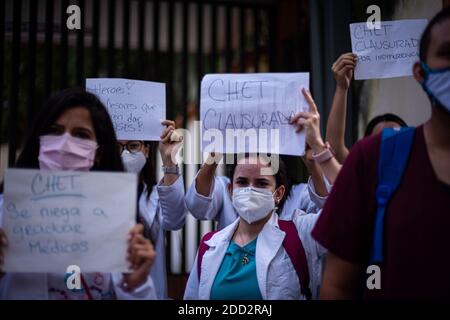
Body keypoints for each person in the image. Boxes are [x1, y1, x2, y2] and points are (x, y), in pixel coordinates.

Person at [312, 7, 450, 299]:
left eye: (396, 130)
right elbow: (336, 285)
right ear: (420, 72)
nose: (390, 136)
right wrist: (341, 89)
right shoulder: (374, 160)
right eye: (448, 52)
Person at [184, 89, 340, 300]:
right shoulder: (209, 245)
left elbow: (347, 215)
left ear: (278, 193)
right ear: (231, 191)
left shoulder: (300, 233)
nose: (250, 189)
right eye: (242, 182)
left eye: (261, 183)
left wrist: (319, 155)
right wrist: (212, 156)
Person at [0, 88, 156, 299]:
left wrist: (136, 284)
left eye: (81, 135)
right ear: (39, 142)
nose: (64, 145)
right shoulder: (5, 214)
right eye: (54, 131)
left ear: (98, 152)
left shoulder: (117, 221)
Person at [117, 120, 187, 299]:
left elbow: (176, 219)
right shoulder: (94, 195)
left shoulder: (156, 196)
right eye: (117, 147)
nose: (125, 153)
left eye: (133, 146)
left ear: (146, 150)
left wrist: (169, 158)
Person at [326, 52, 408, 164]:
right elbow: (334, 149)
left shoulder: (421, 168)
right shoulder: (363, 171)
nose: (389, 141)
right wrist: (341, 87)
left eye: (396, 135)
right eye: (380, 139)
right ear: (367, 148)